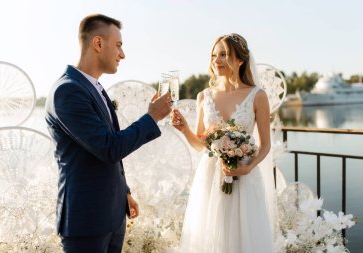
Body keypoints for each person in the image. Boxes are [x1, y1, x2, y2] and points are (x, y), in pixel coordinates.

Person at [45, 14, 172, 253]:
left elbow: (106, 147)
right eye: (119, 45)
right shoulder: (67, 91)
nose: (122, 55)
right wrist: (152, 117)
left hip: (112, 215)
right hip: (86, 222)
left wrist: (124, 192)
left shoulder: (94, 87)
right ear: (98, 44)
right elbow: (109, 147)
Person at [170, 33, 276, 252]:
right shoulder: (204, 96)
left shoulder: (258, 96)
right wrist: (184, 129)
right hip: (210, 177)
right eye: (214, 55)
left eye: (224, 54)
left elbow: (265, 145)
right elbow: (201, 145)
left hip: (245, 178)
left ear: (240, 60)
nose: (216, 60)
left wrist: (248, 166)